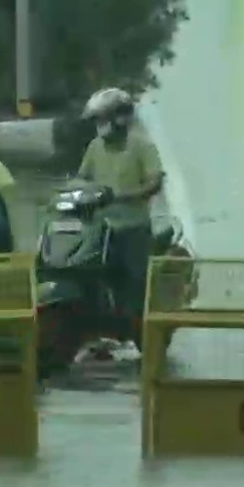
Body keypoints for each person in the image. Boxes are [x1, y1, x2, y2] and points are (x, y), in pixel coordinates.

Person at [75, 87, 164, 340]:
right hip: (99, 229)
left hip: (133, 228)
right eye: (97, 120)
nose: (99, 126)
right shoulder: (95, 147)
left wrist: (122, 196)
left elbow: (154, 182)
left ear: (120, 118)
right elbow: (82, 179)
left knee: (135, 286)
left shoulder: (141, 145)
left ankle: (141, 334)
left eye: (103, 119)